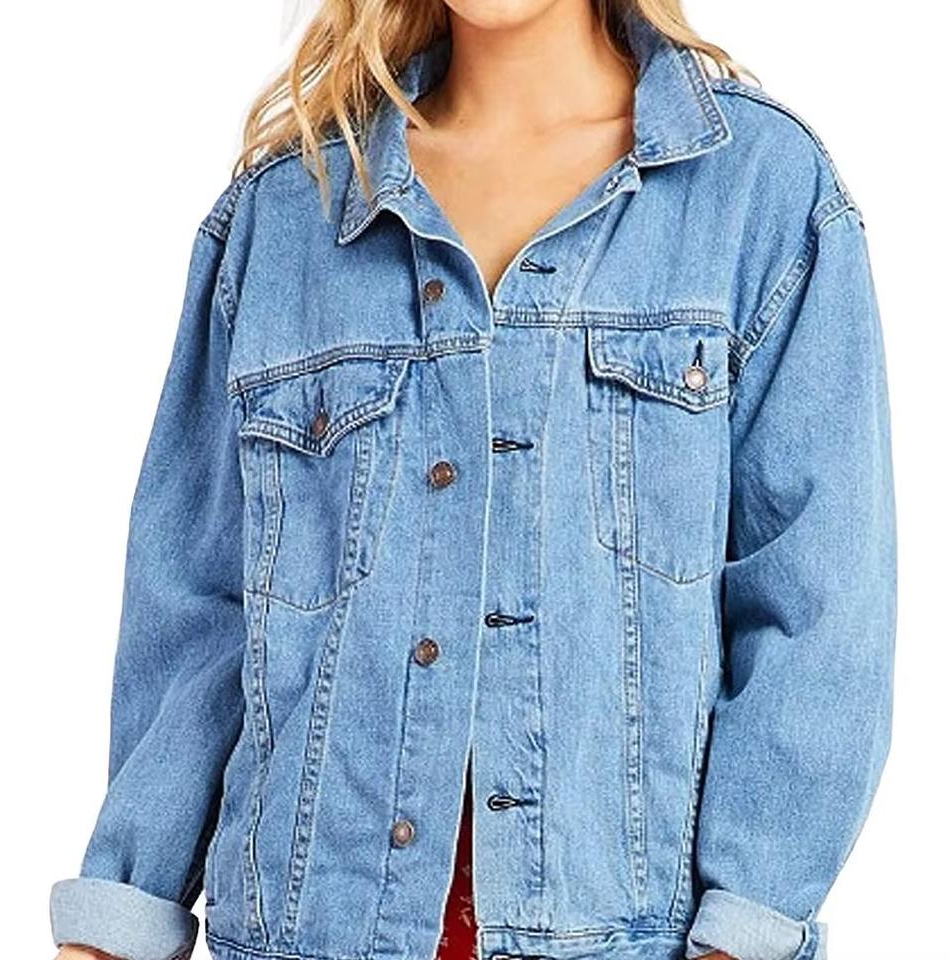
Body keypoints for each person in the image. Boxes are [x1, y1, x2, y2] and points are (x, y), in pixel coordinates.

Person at [48, 2, 897, 960]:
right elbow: (197, 612)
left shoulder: (759, 192)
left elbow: (817, 614)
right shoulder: (286, 209)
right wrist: (118, 919)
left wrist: (747, 927)